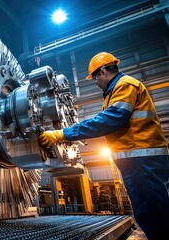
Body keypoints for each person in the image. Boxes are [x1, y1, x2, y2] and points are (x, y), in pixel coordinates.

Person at [38, 52, 169, 240]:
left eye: (95, 77)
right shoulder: (113, 93)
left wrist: (62, 134)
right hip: (137, 160)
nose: (95, 82)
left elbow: (108, 120)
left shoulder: (125, 85)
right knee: (147, 212)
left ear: (104, 71)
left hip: (143, 159)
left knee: (154, 213)